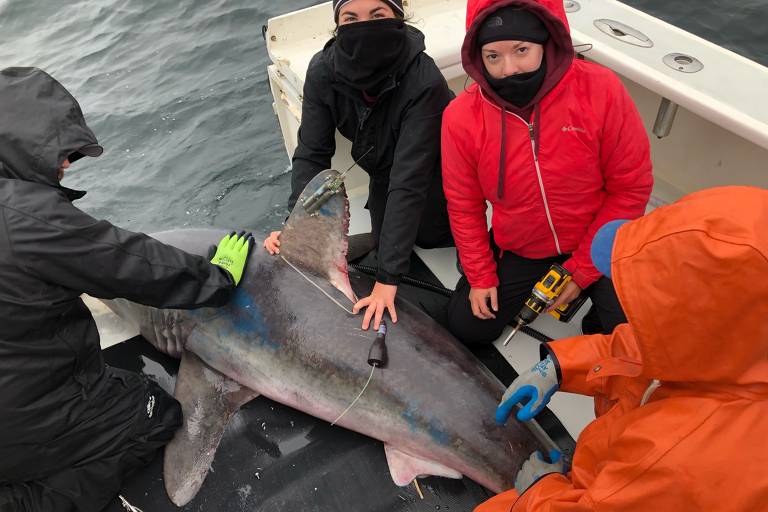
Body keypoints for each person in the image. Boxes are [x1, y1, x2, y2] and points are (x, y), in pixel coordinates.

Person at [0, 67, 253, 512]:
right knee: (154, 413)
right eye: (62, 153)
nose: (65, 165)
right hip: (20, 417)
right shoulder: (26, 216)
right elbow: (133, 264)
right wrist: (217, 278)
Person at [483, 186, 768, 511]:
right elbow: (643, 350)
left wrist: (537, 492)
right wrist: (560, 367)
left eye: (653, 307)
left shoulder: (677, 457)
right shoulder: (737, 350)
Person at [441, 0, 653, 345]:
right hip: (524, 247)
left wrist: (582, 271)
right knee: (467, 327)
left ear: (547, 41)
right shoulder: (460, 117)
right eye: (493, 56)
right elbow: (464, 206)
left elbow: (630, 188)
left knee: (625, 338)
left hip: (599, 239)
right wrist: (480, 275)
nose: (509, 68)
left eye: (521, 50)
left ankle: (598, 308)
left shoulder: (601, 88)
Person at [263, 0, 455, 331]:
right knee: (390, 246)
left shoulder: (425, 80)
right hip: (383, 172)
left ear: (398, 17)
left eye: (377, 15)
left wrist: (388, 280)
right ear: (337, 25)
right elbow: (312, 154)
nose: (363, 25)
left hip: (438, 169)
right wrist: (296, 227)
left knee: (433, 237)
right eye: (350, 18)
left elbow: (410, 179)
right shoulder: (322, 70)